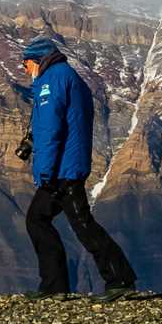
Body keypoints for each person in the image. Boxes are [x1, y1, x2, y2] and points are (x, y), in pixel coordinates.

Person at [21, 37, 138, 302]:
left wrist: (45, 171)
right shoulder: (63, 76)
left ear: (38, 59)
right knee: (39, 218)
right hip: (67, 164)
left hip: (63, 169)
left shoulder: (52, 81)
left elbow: (51, 129)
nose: (24, 69)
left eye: (25, 63)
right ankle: (55, 286)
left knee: (81, 224)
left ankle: (119, 280)